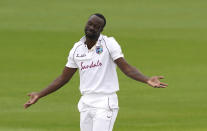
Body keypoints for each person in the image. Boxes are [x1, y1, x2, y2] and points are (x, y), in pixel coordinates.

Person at [24, 13, 168, 131]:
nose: (91, 27)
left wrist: (146, 79)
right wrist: (40, 94)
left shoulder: (109, 43)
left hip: (105, 102)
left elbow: (127, 68)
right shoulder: (77, 49)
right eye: (90, 24)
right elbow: (63, 78)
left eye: (96, 26)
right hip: (86, 102)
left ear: (101, 30)